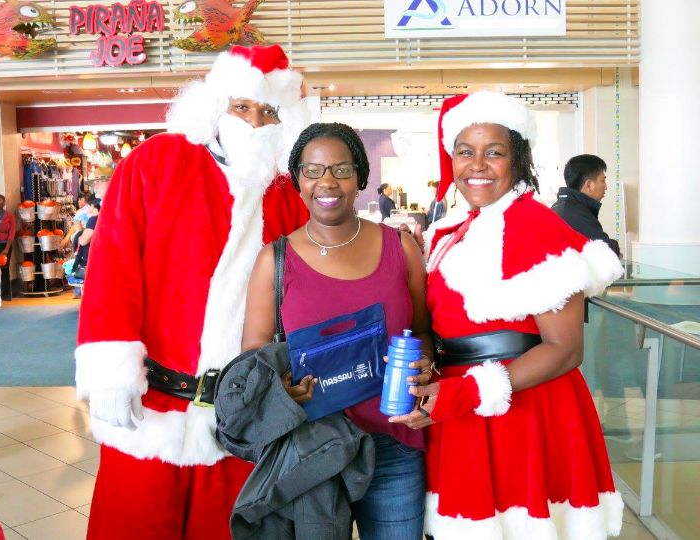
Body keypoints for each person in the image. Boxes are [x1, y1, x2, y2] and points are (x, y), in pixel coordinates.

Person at [74, 44, 310, 540]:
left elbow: (303, 296)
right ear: (213, 104)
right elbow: (112, 267)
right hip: (151, 410)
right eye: (242, 106)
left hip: (240, 419)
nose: (254, 121)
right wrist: (110, 371)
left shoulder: (287, 193)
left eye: (268, 112)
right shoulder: (154, 163)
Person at [389, 92, 625, 539]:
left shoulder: (537, 226)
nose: (477, 164)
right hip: (459, 411)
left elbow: (566, 349)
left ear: (517, 160)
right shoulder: (451, 230)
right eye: (465, 151)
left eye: (494, 153)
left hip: (528, 411)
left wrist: (466, 393)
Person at [243, 122, 434, 539]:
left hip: (394, 444)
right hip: (311, 449)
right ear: (298, 181)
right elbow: (254, 359)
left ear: (361, 178)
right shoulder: (274, 261)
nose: (326, 182)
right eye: (312, 171)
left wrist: (425, 374)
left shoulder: (400, 248)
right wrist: (282, 392)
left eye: (341, 170)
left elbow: (424, 333)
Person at [552, 154, 621, 256]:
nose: (606, 187)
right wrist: (615, 244)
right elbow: (608, 252)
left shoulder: (561, 207)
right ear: (589, 185)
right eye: (603, 180)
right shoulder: (576, 214)